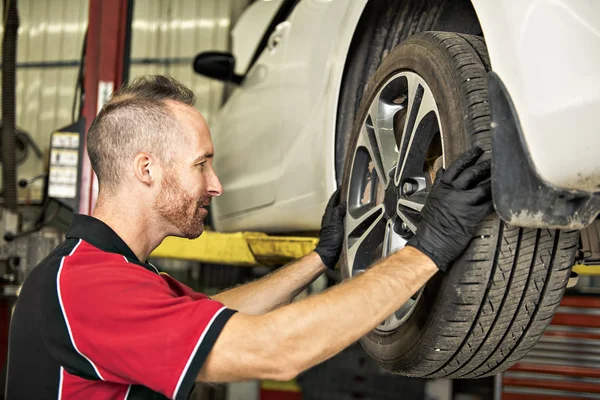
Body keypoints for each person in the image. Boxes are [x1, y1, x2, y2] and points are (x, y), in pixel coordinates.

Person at [5, 75, 493, 400]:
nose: (216, 183)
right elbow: (274, 351)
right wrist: (425, 251)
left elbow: (219, 317)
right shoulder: (89, 288)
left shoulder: (104, 274)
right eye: (202, 164)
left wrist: (320, 259)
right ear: (146, 168)